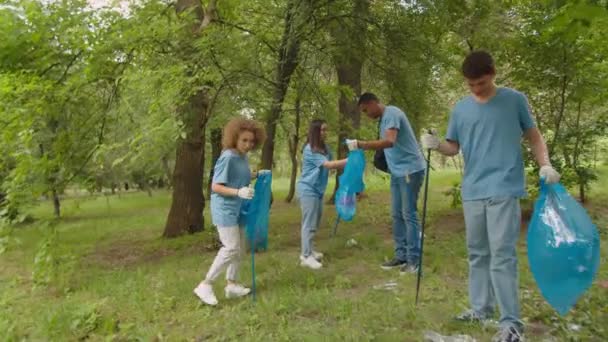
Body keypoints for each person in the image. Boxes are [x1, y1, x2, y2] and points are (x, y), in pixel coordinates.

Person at [420, 50, 560, 342]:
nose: (476, 89)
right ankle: (481, 308)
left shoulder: (514, 100)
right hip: (472, 190)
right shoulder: (460, 109)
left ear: (493, 73)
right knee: (477, 253)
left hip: (504, 186)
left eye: (481, 83)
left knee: (502, 255)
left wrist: (544, 163)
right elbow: (453, 147)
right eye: (470, 85)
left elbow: (534, 137)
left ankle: (511, 324)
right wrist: (435, 144)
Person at [346, 93, 426, 274]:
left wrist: (362, 144)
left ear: (373, 103)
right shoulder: (383, 119)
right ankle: (401, 256)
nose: (366, 114)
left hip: (410, 170)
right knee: (396, 214)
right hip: (397, 173)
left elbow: (390, 141)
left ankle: (413, 261)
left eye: (366, 110)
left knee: (409, 214)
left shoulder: (392, 114)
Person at [194, 117, 268, 306]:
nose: (248, 144)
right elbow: (216, 186)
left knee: (240, 248)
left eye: (251, 141)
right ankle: (206, 284)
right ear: (234, 137)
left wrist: (256, 175)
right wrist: (238, 191)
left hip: (239, 207)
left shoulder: (242, 157)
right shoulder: (227, 157)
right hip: (224, 208)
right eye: (244, 140)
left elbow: (240, 176)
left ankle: (232, 284)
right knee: (231, 247)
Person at [297, 119, 347, 269]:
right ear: (315, 132)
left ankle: (310, 250)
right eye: (322, 130)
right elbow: (328, 164)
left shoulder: (325, 148)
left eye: (326, 130)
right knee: (309, 223)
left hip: (318, 190)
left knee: (315, 221)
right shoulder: (310, 149)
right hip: (308, 190)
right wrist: (350, 160)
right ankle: (305, 256)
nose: (325, 133)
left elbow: (332, 164)